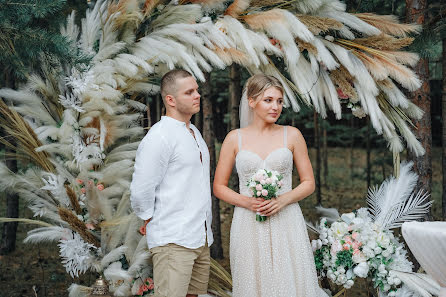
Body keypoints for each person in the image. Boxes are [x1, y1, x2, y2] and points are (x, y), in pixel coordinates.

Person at [213, 74, 327, 296]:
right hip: (248, 222)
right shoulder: (234, 138)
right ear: (251, 101)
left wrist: (283, 199)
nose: (275, 107)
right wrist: (247, 201)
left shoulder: (292, 135)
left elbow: (308, 182)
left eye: (279, 101)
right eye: (268, 100)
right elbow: (219, 186)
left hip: (286, 219)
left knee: (289, 280)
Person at [130, 69, 213, 297]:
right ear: (170, 100)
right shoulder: (160, 136)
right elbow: (140, 189)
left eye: (196, 90)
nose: (197, 95)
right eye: (189, 92)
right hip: (173, 240)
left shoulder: (194, 132)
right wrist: (148, 216)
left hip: (200, 236)